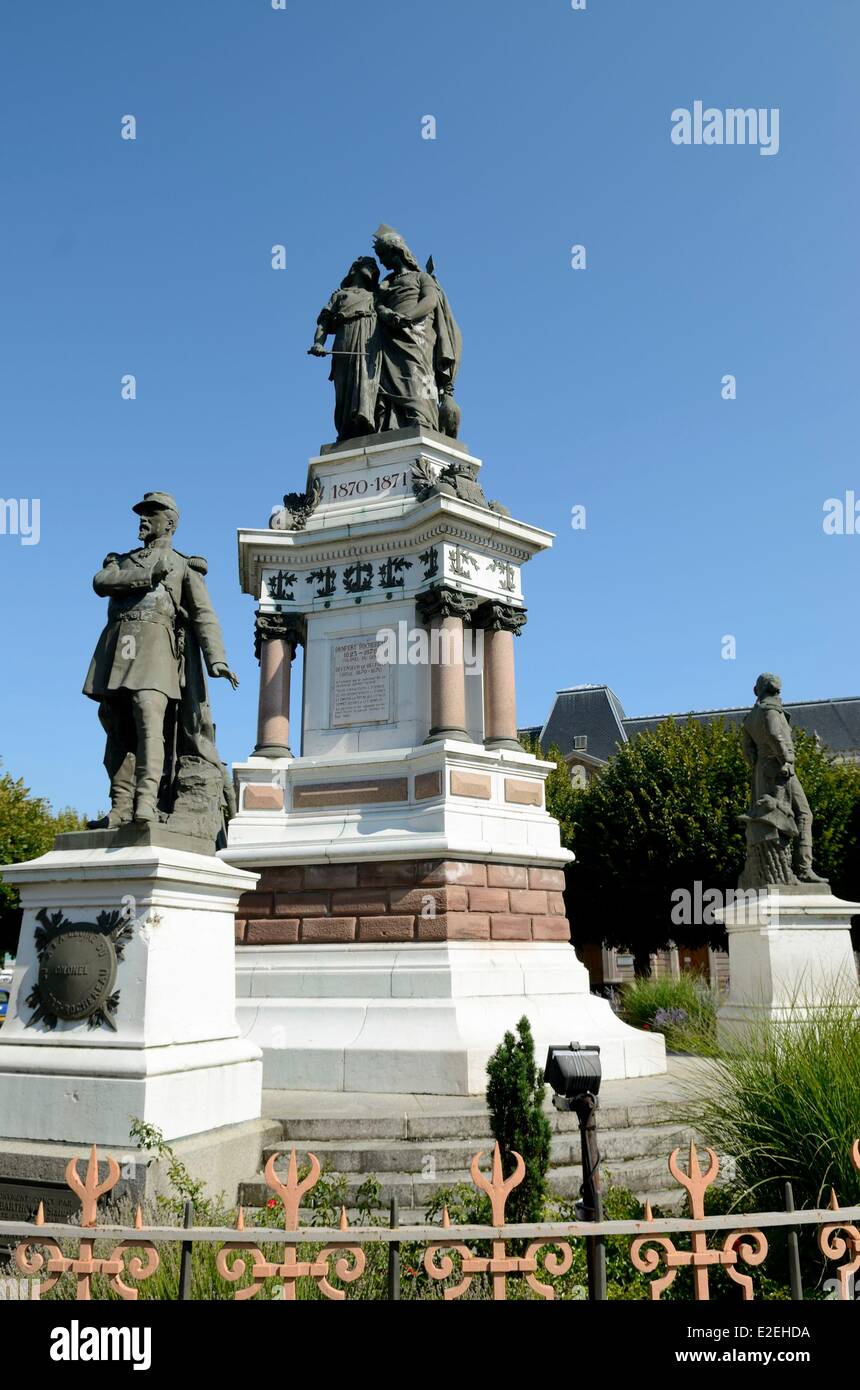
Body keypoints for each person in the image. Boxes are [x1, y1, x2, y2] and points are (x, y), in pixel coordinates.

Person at [83, 492, 238, 827]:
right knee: (116, 731)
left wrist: (217, 659)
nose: (143, 519)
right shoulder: (120, 561)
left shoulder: (184, 565)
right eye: (141, 514)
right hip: (117, 646)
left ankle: (146, 803)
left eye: (151, 514)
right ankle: (119, 806)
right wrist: (149, 575)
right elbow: (101, 582)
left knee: (149, 726)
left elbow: (203, 615)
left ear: (169, 522)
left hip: (156, 650)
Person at [372, 224, 461, 432]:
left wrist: (407, 317)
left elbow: (430, 300)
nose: (382, 261)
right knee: (389, 380)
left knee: (419, 375)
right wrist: (386, 313)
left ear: (396, 251)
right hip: (389, 334)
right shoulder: (386, 283)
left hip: (419, 334)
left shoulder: (422, 277)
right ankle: (392, 423)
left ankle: (423, 419)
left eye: (383, 255)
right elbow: (377, 304)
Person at [741, 672, 826, 883]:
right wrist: (785, 757)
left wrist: (760, 766)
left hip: (764, 770)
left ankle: (793, 869)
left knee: (777, 817)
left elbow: (747, 751)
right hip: (781, 768)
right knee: (799, 815)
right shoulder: (770, 710)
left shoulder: (750, 718)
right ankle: (802, 868)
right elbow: (773, 733)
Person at [308, 256, 381, 441]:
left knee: (366, 380)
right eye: (369, 264)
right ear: (355, 268)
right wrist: (318, 343)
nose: (373, 268)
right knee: (344, 385)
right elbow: (324, 321)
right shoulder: (340, 294)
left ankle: (367, 421)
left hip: (369, 340)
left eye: (375, 267)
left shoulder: (377, 295)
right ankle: (346, 428)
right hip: (345, 338)